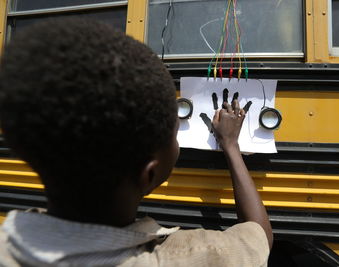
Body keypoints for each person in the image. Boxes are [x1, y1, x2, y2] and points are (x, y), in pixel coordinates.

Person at [0, 18, 273, 266]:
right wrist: (231, 146)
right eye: (174, 132)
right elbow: (259, 237)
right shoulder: (186, 257)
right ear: (149, 173)